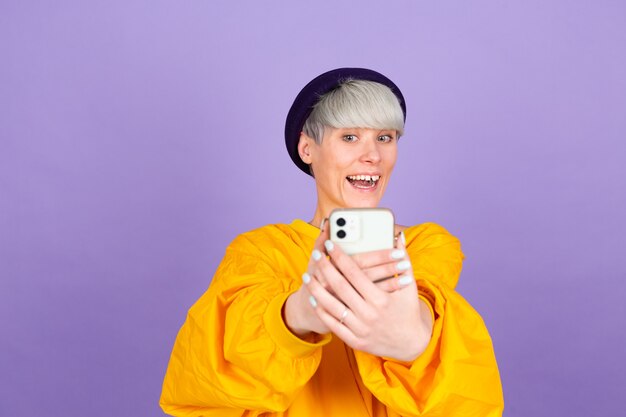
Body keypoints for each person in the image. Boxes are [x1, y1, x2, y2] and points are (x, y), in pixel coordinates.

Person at [160, 68, 504, 416]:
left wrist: (416, 339)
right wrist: (297, 315)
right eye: (350, 137)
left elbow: (433, 304)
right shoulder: (262, 249)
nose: (373, 156)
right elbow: (214, 360)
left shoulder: (426, 244)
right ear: (307, 148)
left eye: (385, 137)